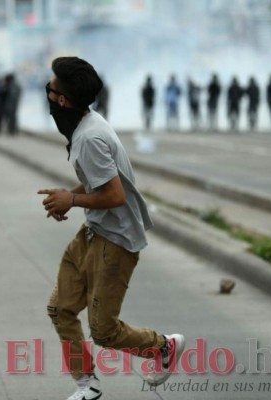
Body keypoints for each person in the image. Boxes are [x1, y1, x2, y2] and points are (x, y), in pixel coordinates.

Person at [38, 56, 185, 400]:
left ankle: (163, 347)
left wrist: (71, 202)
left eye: (52, 86)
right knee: (60, 309)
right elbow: (98, 182)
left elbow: (115, 194)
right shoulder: (86, 123)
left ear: (62, 100)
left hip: (115, 240)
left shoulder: (89, 137)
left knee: (103, 331)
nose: (48, 90)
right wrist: (66, 197)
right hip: (94, 232)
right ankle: (86, 384)